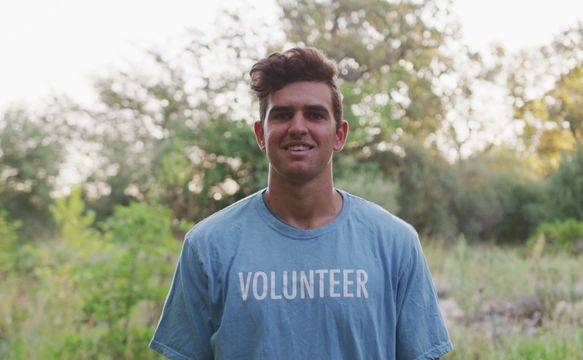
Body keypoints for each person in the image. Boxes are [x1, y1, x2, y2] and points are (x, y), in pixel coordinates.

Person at [150, 47, 452, 359]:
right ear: (261, 134)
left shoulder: (395, 243)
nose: (298, 127)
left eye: (315, 115)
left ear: (339, 134)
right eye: (282, 115)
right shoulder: (208, 246)